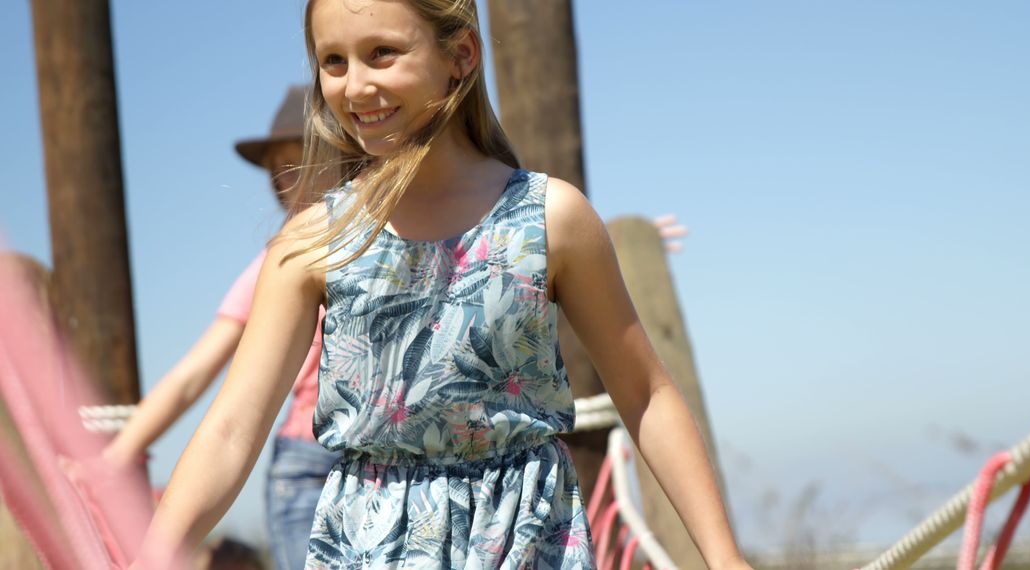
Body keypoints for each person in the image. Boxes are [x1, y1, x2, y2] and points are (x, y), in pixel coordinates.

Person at [140, 1, 749, 569]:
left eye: (383, 53)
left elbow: (645, 393)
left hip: (524, 539)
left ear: (461, 55)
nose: (355, 85)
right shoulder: (312, 244)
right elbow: (230, 430)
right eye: (333, 61)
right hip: (368, 545)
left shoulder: (550, 218)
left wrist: (725, 559)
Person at [105, 87, 341, 570]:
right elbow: (195, 372)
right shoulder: (277, 262)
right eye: (280, 170)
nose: (292, 183)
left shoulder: (395, 237)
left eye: (305, 161)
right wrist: (117, 456)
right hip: (309, 461)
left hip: (390, 455)